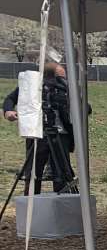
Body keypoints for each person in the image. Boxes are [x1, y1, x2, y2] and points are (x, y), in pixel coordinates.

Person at [3, 62, 84, 194]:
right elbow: (10, 99)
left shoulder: (67, 88)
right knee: (34, 171)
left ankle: (62, 201)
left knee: (62, 172)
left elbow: (85, 107)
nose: (63, 80)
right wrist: (8, 112)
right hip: (36, 133)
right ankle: (31, 203)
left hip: (60, 134)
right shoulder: (32, 87)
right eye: (60, 76)